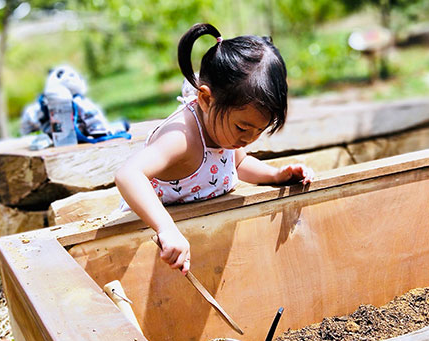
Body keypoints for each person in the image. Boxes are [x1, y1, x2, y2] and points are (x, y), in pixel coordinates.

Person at [115, 23, 314, 274]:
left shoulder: (225, 133)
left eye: (259, 131)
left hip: (203, 234)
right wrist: (166, 228)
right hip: (155, 243)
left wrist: (276, 175)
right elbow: (128, 175)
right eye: (243, 128)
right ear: (206, 99)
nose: (250, 139)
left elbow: (238, 165)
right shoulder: (182, 137)